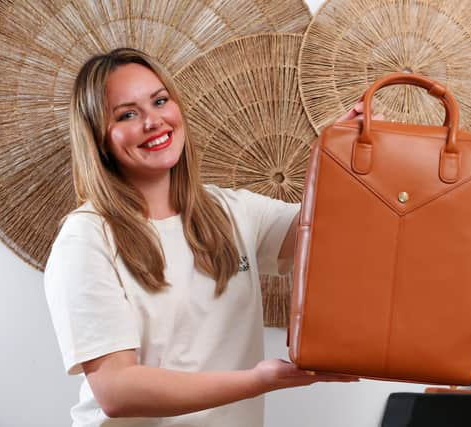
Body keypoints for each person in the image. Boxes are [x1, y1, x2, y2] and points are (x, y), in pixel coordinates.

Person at [43, 47, 378, 426]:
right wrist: (256, 381)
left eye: (160, 101)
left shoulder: (231, 211)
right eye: (128, 114)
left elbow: (327, 235)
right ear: (99, 139)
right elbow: (117, 390)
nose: (154, 121)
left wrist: (342, 156)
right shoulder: (87, 238)